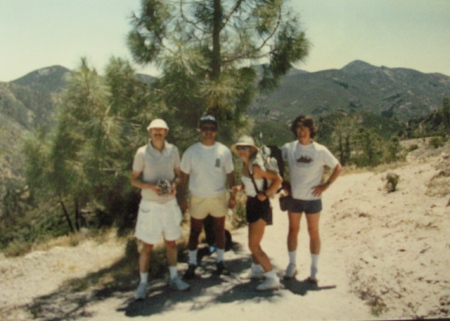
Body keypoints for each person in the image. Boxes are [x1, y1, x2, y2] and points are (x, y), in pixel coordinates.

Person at [131, 118, 190, 301]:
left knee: (171, 242)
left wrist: (174, 185)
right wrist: (150, 187)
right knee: (147, 246)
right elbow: (134, 179)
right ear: (149, 132)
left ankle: (174, 278)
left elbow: (179, 176)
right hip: (150, 205)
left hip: (169, 205)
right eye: (154, 130)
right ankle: (143, 284)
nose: (158, 133)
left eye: (161, 130)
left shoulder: (173, 151)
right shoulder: (141, 153)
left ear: (166, 132)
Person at [281, 115, 342, 283]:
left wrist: (326, 184)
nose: (301, 132)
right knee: (293, 231)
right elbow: (274, 161)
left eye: (304, 128)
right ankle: (292, 265)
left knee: (313, 232)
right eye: (298, 128)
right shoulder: (289, 148)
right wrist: (282, 182)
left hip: (313, 199)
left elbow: (338, 167)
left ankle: (314, 269)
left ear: (310, 130)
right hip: (294, 198)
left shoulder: (320, 150)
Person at [179, 115, 236, 278]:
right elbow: (183, 177)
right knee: (195, 231)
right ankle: (191, 263)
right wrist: (182, 199)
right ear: (200, 130)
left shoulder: (223, 151)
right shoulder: (191, 151)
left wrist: (232, 195)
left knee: (219, 230)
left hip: (218, 195)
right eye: (205, 128)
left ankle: (220, 262)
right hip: (198, 197)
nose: (208, 132)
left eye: (212, 128)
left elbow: (231, 174)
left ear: (216, 131)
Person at [231, 136, 283, 291]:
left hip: (260, 205)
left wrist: (266, 193)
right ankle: (256, 270)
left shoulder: (256, 167)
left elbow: (278, 180)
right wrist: (240, 188)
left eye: (246, 147)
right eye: (240, 147)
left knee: (253, 245)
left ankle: (272, 278)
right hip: (251, 203)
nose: (242, 150)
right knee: (253, 241)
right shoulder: (245, 165)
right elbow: (249, 183)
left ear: (252, 150)